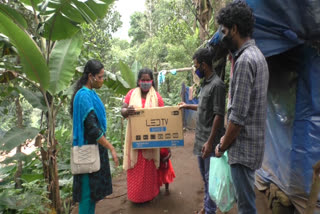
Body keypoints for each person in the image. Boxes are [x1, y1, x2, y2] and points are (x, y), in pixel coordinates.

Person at [215, 2, 269, 214]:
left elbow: (237, 118)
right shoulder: (258, 56)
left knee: (246, 207)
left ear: (234, 29)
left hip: (243, 150)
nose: (222, 35)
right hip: (253, 146)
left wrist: (222, 146)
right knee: (246, 201)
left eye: (224, 30)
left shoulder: (245, 61)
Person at [179, 48, 226, 214]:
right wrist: (187, 106)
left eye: (196, 65)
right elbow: (204, 107)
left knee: (210, 179)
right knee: (205, 179)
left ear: (204, 65)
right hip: (201, 140)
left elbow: (219, 115)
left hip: (208, 142)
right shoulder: (205, 84)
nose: (195, 69)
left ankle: (210, 210)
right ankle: (207, 208)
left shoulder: (217, 85)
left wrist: (210, 141)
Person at [70, 59, 119, 214]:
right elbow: (93, 129)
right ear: (91, 76)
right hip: (86, 151)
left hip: (95, 150)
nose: (102, 80)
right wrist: (111, 147)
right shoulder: (84, 96)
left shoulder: (90, 94)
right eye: (100, 77)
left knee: (93, 195)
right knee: (86, 195)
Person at [121, 68, 164, 203]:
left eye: (148, 80)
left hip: (151, 141)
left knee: (149, 168)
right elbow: (122, 110)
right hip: (135, 140)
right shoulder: (131, 94)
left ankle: (149, 196)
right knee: (136, 167)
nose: (145, 82)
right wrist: (127, 111)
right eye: (143, 80)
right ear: (139, 81)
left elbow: (164, 115)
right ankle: (135, 197)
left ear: (152, 81)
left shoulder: (157, 96)